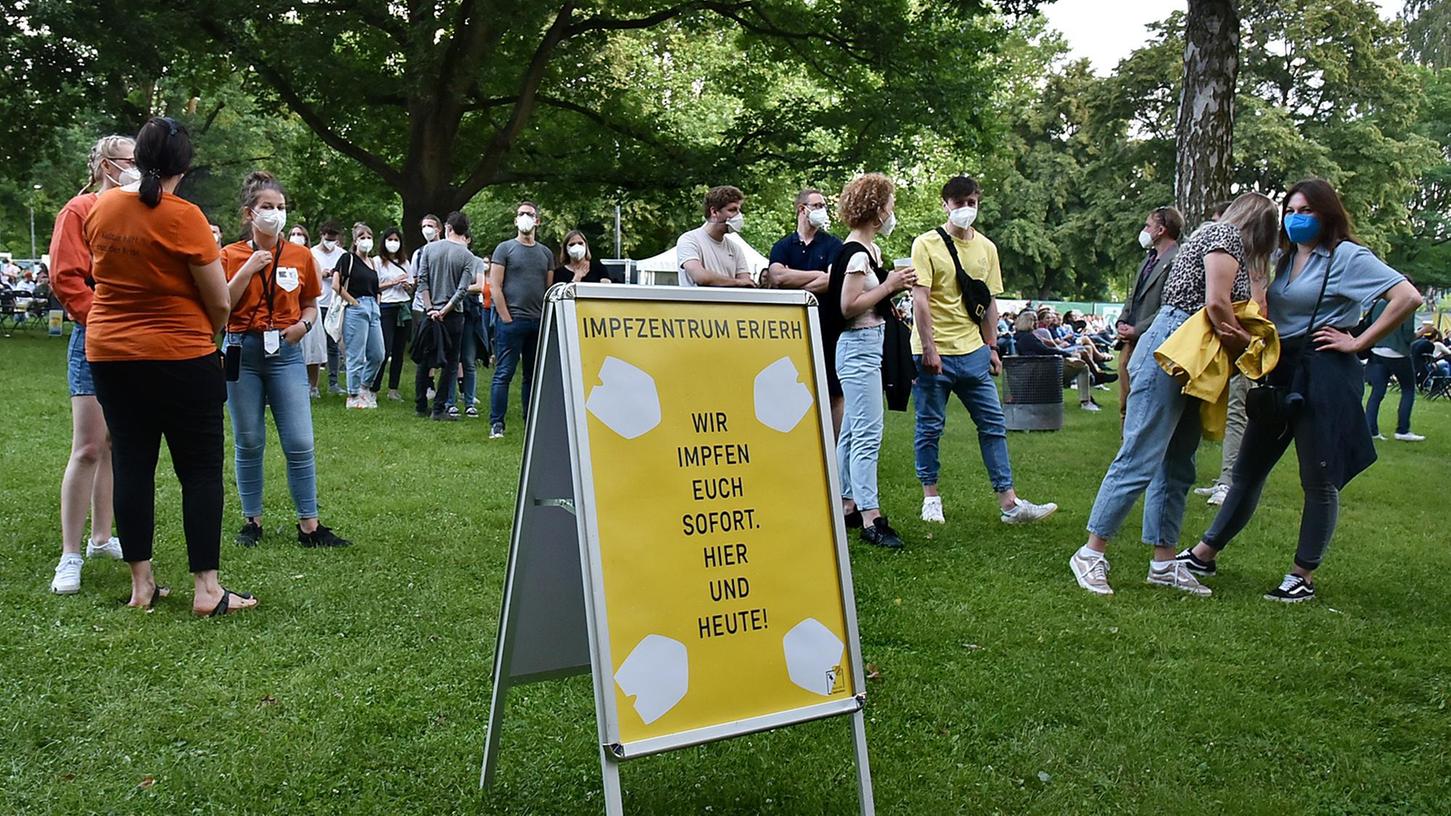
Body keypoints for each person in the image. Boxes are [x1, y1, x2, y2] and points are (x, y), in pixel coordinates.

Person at [1177, 179, 1423, 602]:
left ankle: (1302, 575)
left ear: (1327, 214)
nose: (1295, 218)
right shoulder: (1286, 259)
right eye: (1291, 210)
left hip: (1326, 370)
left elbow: (1407, 296)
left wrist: (1359, 341)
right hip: (1282, 367)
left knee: (1319, 477)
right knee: (1248, 469)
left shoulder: (1347, 256)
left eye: (1306, 210)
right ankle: (1204, 554)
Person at [83, 116, 256, 616]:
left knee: (133, 464)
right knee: (200, 471)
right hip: (183, 354)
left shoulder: (102, 208)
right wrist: (211, 329)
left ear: (137, 158)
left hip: (112, 354)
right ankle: (207, 590)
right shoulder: (186, 218)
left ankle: (142, 587)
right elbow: (219, 302)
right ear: (186, 164)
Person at [1068, 191, 1280, 598]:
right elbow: (1217, 305)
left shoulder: (1213, 236)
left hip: (1190, 352)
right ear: (1262, 227)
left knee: (1178, 463)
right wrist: (1245, 347)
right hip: (1178, 345)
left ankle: (1164, 563)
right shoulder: (1225, 235)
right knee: (1140, 455)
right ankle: (1090, 553)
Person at [909, 175, 1058, 526]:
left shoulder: (987, 248)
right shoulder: (926, 244)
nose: (965, 209)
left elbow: (989, 302)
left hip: (974, 350)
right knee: (930, 426)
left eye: (971, 202)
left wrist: (992, 347)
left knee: (993, 424)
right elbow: (921, 301)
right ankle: (931, 497)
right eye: (958, 202)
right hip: (934, 352)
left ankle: (1009, 503)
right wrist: (929, 348)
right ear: (945, 204)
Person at [222, 171, 351, 550]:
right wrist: (250, 267)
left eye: (280, 207)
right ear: (250, 213)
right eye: (267, 207)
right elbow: (221, 305)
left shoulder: (299, 256)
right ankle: (252, 521)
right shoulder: (229, 255)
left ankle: (309, 525)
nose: (275, 214)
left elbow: (311, 303)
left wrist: (304, 324)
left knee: (299, 440)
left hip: (286, 353)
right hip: (241, 351)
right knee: (249, 440)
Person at [46, 134, 135, 594]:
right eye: (129, 160)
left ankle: (102, 538)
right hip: (95, 335)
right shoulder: (78, 211)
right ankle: (70, 554)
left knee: (115, 444)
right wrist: (105, 317)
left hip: (135, 337)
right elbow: (67, 278)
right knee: (87, 446)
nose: (137, 167)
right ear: (104, 163)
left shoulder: (140, 208)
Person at [827, 174, 916, 549]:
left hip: (866, 344)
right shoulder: (858, 255)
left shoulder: (866, 252)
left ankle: (846, 502)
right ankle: (870, 515)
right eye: (890, 205)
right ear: (877, 210)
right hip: (857, 347)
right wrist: (889, 286)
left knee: (851, 431)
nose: (892, 212)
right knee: (867, 433)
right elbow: (846, 307)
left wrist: (887, 301)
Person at [766, 188, 845, 430]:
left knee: (834, 391)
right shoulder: (783, 246)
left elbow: (832, 281)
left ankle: (835, 453)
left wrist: (795, 280)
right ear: (803, 209)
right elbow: (777, 276)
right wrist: (817, 276)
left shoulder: (833, 245)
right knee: (792, 389)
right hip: (791, 331)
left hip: (828, 328)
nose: (823, 210)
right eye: (818, 205)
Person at [488, 201, 554, 437]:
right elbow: (495, 286)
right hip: (511, 322)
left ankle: (531, 424)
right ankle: (497, 424)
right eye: (521, 214)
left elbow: (549, 290)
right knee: (504, 373)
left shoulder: (546, 253)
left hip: (537, 323)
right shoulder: (504, 249)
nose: (525, 217)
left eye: (530, 214)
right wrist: (506, 317)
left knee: (532, 377)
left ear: (537, 221)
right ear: (516, 220)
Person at [1116, 207, 1182, 424]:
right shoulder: (1148, 259)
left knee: (1145, 402)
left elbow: (1169, 305)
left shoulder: (1177, 261)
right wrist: (1122, 322)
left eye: (1148, 225)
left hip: (1153, 340)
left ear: (1161, 229)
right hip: (1131, 340)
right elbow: (1132, 296)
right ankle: (1126, 445)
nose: (1144, 230)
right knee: (1126, 399)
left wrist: (1138, 329)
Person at [414, 211, 478, 420]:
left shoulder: (429, 249)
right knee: (451, 364)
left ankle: (420, 404)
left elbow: (421, 280)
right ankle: (439, 408)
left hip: (429, 313)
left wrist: (430, 308)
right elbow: (462, 289)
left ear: (447, 227)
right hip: (452, 316)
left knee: (425, 359)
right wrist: (445, 309)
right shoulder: (468, 256)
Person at [334, 222, 385, 409]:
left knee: (378, 353)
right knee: (356, 355)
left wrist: (377, 303)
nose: (366, 241)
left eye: (369, 237)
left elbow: (376, 286)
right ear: (355, 241)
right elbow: (336, 284)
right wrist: (354, 302)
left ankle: (365, 387)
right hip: (356, 307)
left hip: (373, 308)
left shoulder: (373, 262)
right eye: (362, 237)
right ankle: (353, 394)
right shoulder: (347, 259)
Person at [1012, 312, 1100, 411]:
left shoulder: (1019, 336)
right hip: (1043, 371)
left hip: (1034, 369)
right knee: (1082, 367)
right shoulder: (1029, 338)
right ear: (1030, 322)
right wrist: (1067, 354)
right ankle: (1086, 401)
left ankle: (1094, 380)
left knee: (1077, 358)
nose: (1037, 323)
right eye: (1035, 320)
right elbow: (1046, 351)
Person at [1363, 298, 1422, 441]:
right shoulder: (1407, 301)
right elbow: (1408, 335)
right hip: (1397, 351)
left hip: (1377, 349)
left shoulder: (1379, 303)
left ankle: (1371, 430)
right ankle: (1403, 430)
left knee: (1377, 392)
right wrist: (1422, 332)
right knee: (1408, 390)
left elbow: (1368, 323)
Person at [677, 186, 756, 287]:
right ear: (714, 212)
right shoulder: (689, 240)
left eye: (739, 210)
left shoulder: (735, 249)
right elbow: (700, 277)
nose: (738, 216)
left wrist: (742, 283)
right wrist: (738, 282)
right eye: (732, 210)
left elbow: (746, 283)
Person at [371, 226, 413, 401]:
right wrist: (392, 282)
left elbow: (411, 286)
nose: (393, 243)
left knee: (398, 350)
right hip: (385, 307)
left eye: (396, 240)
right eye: (390, 240)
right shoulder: (376, 262)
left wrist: (407, 286)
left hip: (402, 307)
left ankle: (393, 388)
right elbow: (374, 286)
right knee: (384, 349)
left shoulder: (405, 262)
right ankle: (373, 386)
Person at [311, 222, 346, 395]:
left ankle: (334, 383)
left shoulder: (342, 255)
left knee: (333, 345)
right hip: (316, 303)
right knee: (315, 346)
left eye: (333, 239)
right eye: (327, 238)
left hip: (334, 305)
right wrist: (321, 274)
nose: (330, 242)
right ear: (321, 235)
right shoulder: (312, 253)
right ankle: (312, 385)